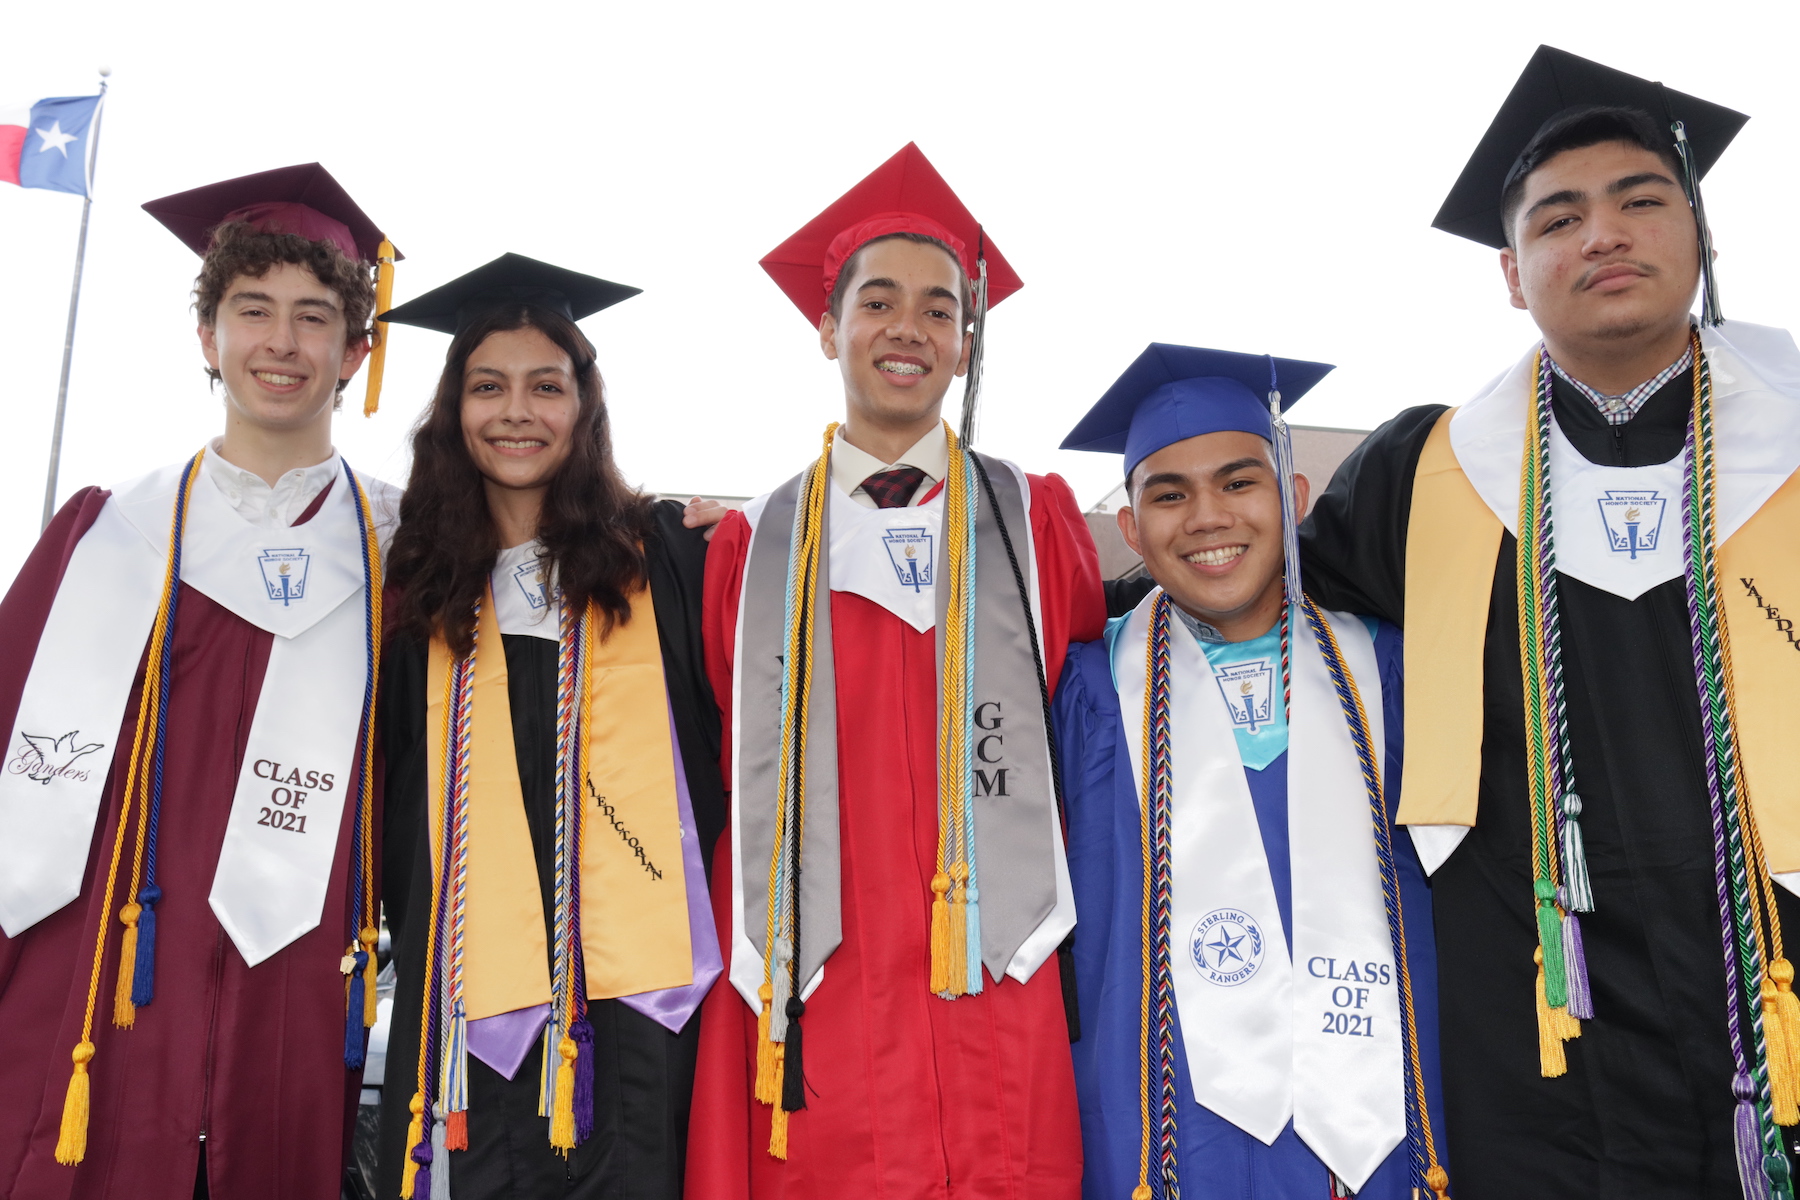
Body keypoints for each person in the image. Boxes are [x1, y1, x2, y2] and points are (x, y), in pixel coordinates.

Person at [1299, 45, 1800, 1198]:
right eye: (1558, 217)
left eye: (1640, 201)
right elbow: (1247, 600)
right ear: (1515, 277)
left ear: (1700, 233)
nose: (1603, 236)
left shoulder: (1788, 446)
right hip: (1543, 1038)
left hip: (1777, 980)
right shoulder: (1426, 476)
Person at [686, 143, 1106, 1199]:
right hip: (816, 979)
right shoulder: (752, 544)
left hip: (993, 971)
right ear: (828, 329)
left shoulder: (1035, 523)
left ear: (967, 344)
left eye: (940, 308)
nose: (908, 329)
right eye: (877, 302)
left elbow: (1086, 717)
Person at [0, 163, 401, 1200]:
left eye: (316, 317)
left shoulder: (406, 550)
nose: (282, 342)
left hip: (302, 984)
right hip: (103, 981)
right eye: (252, 309)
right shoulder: (109, 535)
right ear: (206, 335)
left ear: (357, 350)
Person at [1056, 345, 1449, 1200]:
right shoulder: (1085, 693)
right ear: (1129, 528)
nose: (1206, 517)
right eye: (1168, 494)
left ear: (1293, 496)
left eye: (1239, 482)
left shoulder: (1389, 670)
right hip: (1162, 1129)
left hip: (1384, 1119)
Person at [374, 254, 725, 1199]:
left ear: (584, 406)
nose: (516, 412)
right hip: (473, 993)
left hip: (640, 1002)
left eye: (546, 386)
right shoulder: (416, 583)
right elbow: (390, 797)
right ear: (455, 410)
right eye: (488, 387)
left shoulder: (664, 555)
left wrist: (735, 543)